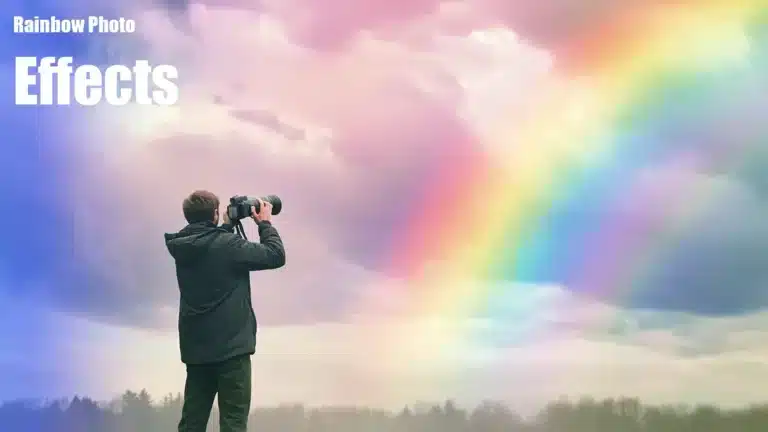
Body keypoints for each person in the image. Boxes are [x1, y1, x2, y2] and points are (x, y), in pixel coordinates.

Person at [164, 190, 285, 432]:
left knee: (192, 423)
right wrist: (265, 224)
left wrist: (227, 226)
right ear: (215, 214)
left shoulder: (183, 248)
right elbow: (275, 255)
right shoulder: (228, 246)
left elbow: (211, 249)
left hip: (197, 351)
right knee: (233, 424)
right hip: (232, 352)